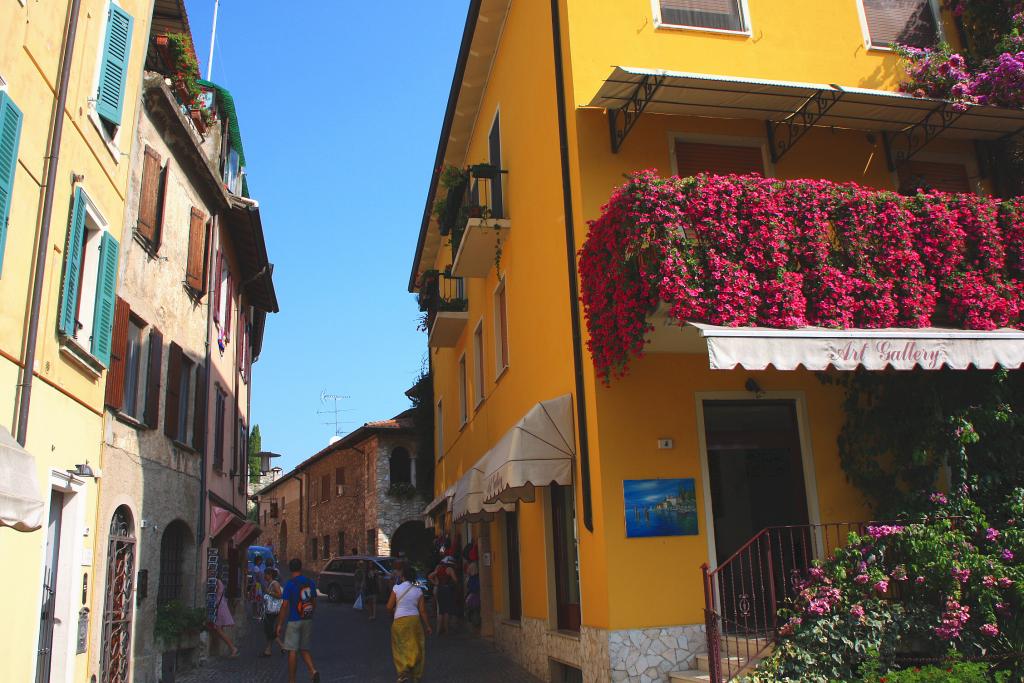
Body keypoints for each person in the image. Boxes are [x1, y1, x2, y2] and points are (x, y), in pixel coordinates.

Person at [277, 558, 320, 683]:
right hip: (307, 619)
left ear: (290, 569)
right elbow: (313, 601)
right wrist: (311, 613)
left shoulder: (289, 585)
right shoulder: (310, 582)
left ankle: (292, 680)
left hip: (294, 620)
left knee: (292, 650)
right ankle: (313, 671)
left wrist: (280, 624)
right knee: (304, 648)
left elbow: (284, 605)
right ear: (300, 568)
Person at [387, 564, 432, 682]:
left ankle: (403, 672)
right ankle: (416, 675)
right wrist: (427, 626)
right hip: (414, 621)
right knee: (417, 646)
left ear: (402, 577)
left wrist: (394, 612)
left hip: (399, 620)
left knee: (399, 646)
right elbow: (422, 611)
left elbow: (389, 606)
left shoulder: (396, 589)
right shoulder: (418, 591)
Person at [208, 577, 238, 657]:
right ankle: (232, 648)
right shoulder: (218, 581)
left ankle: (232, 648)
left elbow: (219, 593)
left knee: (218, 628)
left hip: (219, 608)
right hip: (220, 607)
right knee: (218, 629)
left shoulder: (217, 581)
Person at [427, 556, 457, 635]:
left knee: (440, 611)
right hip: (447, 590)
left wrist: (435, 583)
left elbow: (429, 576)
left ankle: (438, 630)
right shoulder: (449, 569)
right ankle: (446, 630)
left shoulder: (438, 569)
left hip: (439, 589)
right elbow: (455, 580)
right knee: (447, 611)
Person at [260, 567, 285, 657]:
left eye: (265, 574)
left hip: (272, 611)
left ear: (270, 575)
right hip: (269, 610)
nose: (264, 576)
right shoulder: (270, 583)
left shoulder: (275, 584)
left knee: (269, 630)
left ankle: (282, 645)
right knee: (268, 630)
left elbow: (279, 595)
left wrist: (269, 592)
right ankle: (268, 650)